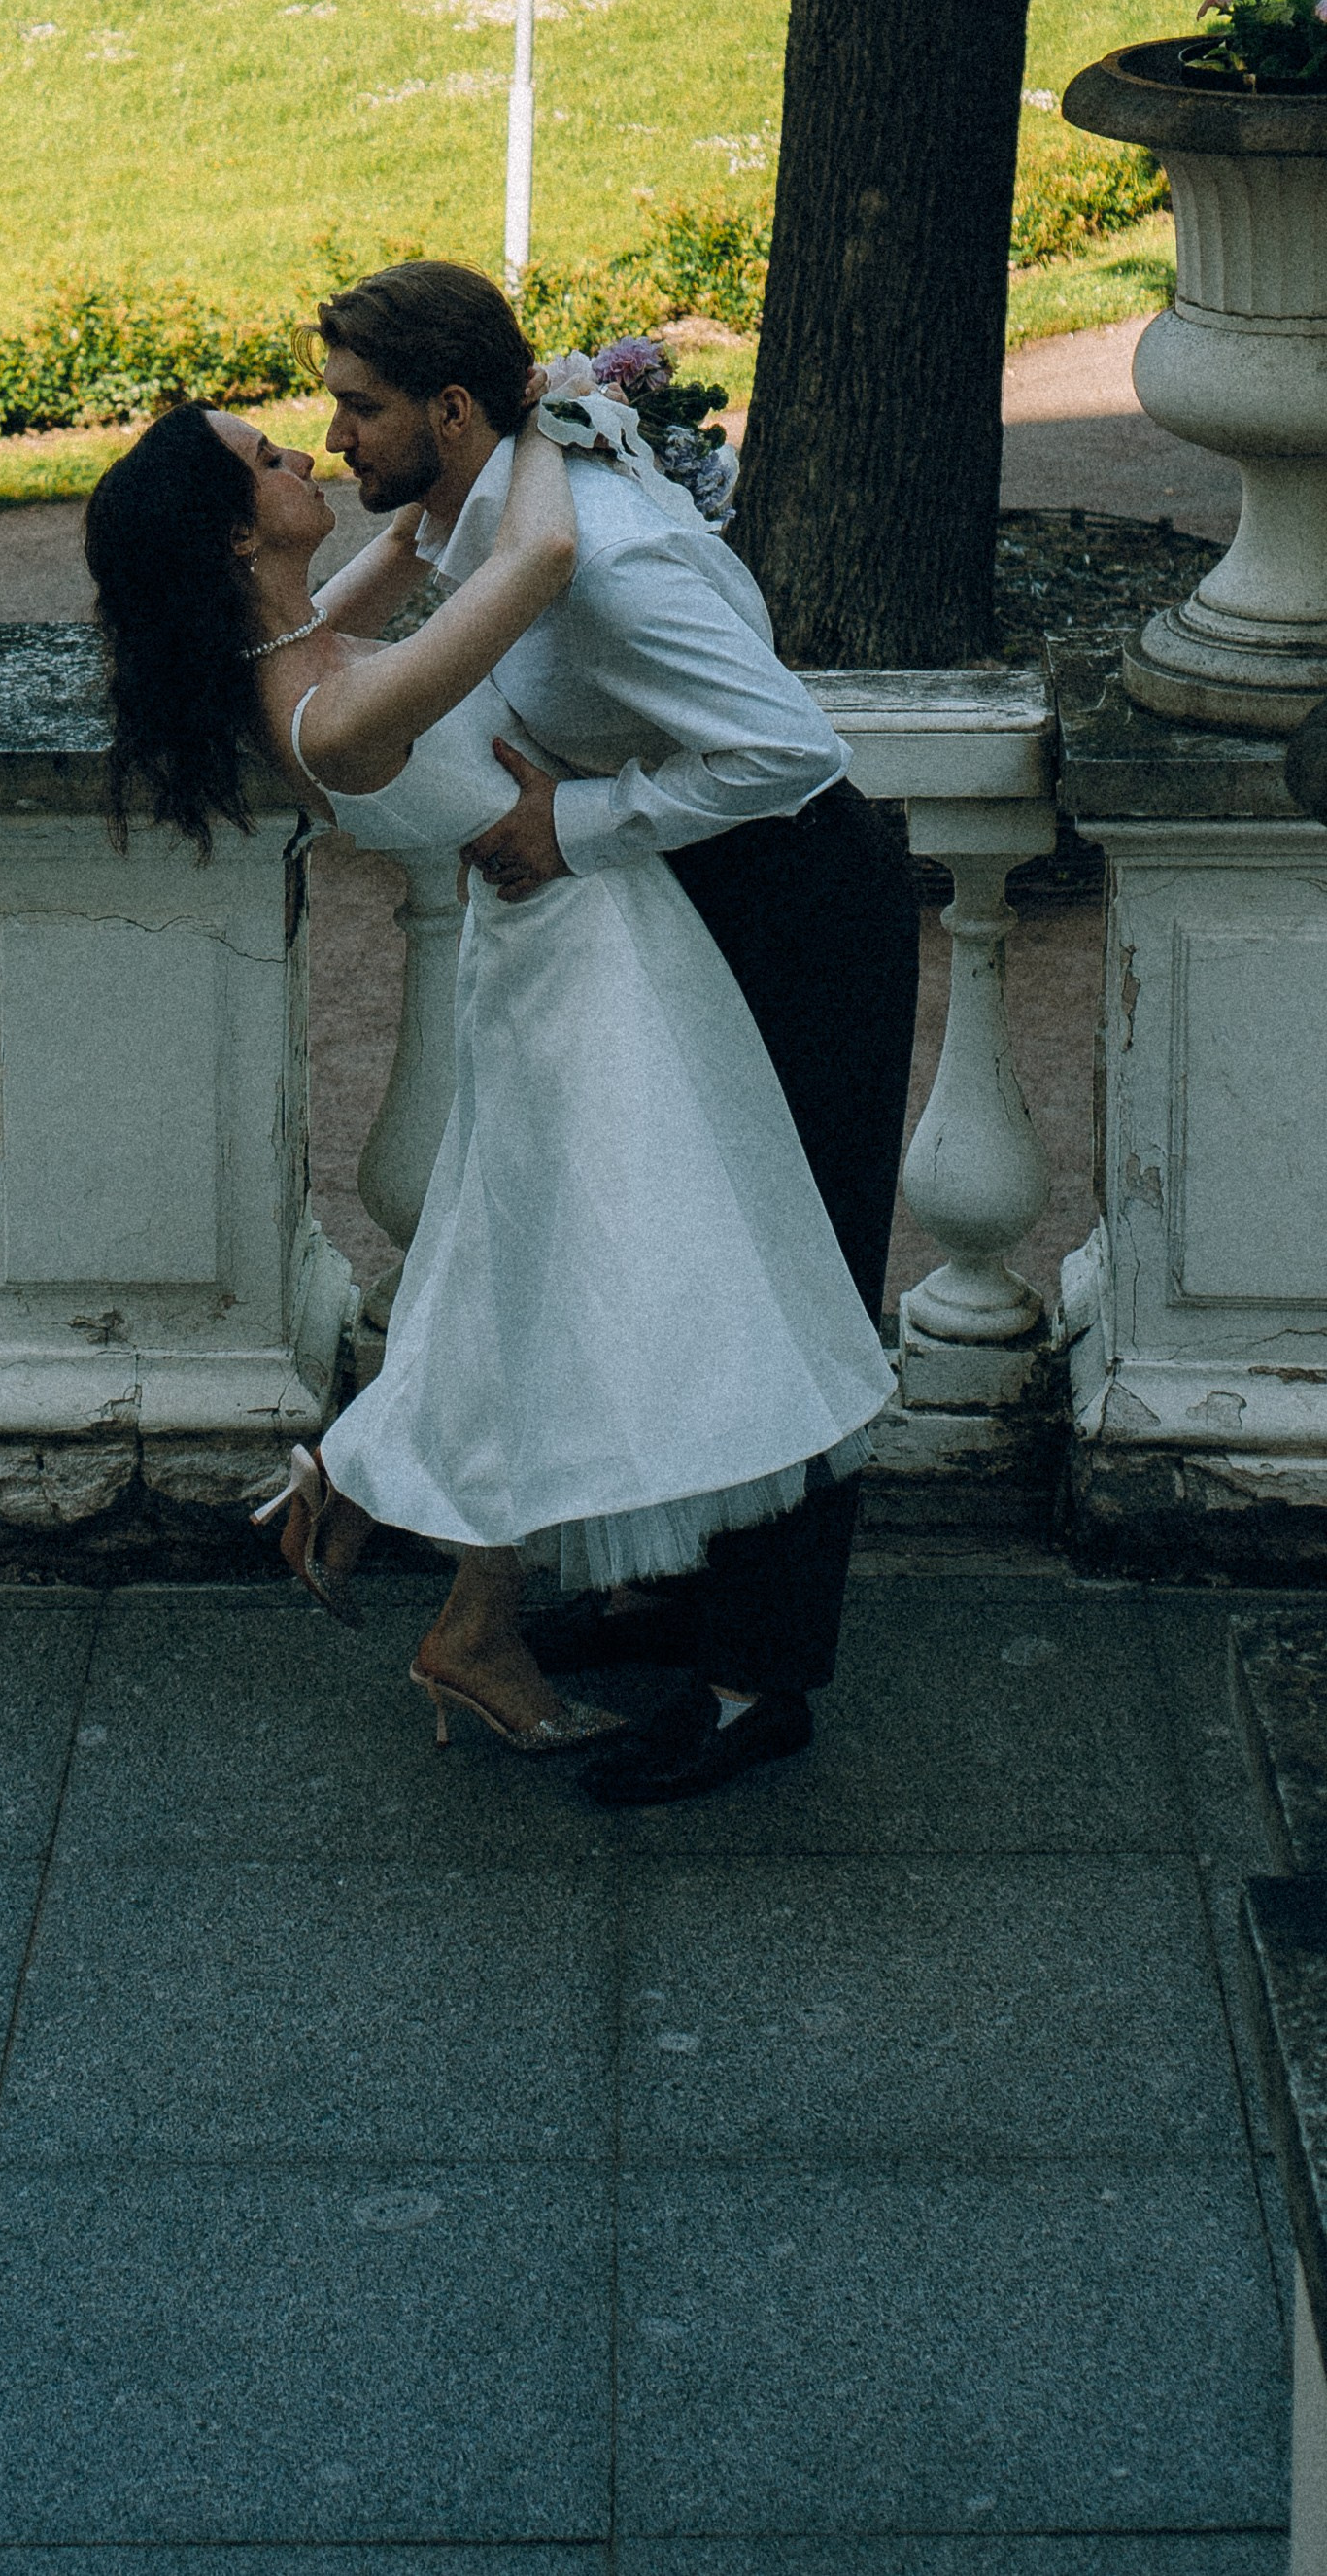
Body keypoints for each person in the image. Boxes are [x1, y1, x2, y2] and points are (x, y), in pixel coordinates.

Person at [83, 356, 902, 1783]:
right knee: (646, 1285)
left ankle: (442, 1558)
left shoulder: (299, 644)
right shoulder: (341, 707)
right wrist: (543, 414)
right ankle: (497, 1580)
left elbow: (410, 541)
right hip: (586, 975)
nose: (312, 460)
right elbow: (539, 554)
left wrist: (516, 416)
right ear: (233, 533)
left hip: (572, 961)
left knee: (533, 1281)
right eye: (273, 458)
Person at [310, 260, 920, 1801]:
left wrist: (577, 822)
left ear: (453, 409)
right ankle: (679, 1593)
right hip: (688, 905)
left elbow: (791, 744)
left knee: (781, 1274)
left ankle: (755, 1682)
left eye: (360, 409)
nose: (334, 439)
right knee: (667, 1258)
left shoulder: (609, 554)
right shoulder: (513, 502)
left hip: (796, 914)